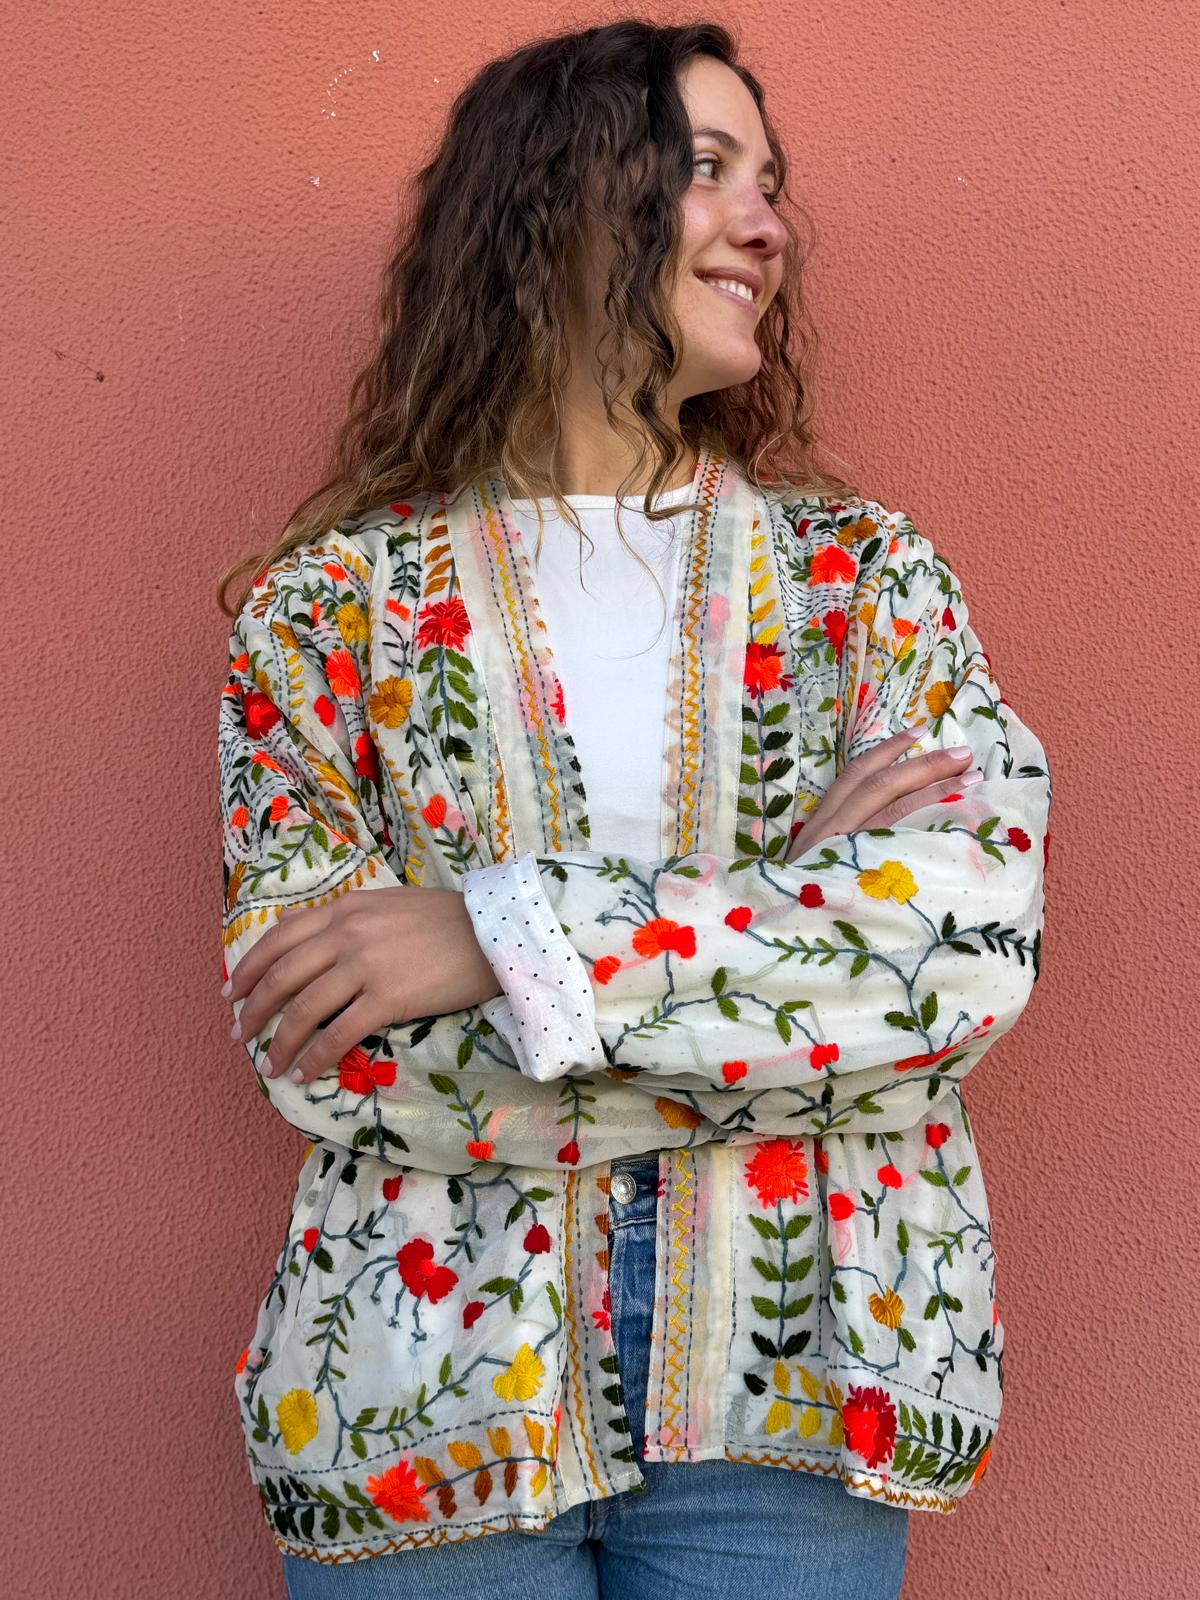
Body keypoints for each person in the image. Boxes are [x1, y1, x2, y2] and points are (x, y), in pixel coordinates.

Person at [216, 20, 1051, 1600]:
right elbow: (323, 1052)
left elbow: (956, 959)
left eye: (770, 182)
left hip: (791, 1407)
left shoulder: (865, 584)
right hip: (420, 1392)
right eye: (707, 168)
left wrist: (492, 939)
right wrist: (787, 939)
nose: (767, 224)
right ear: (558, 201)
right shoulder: (329, 612)